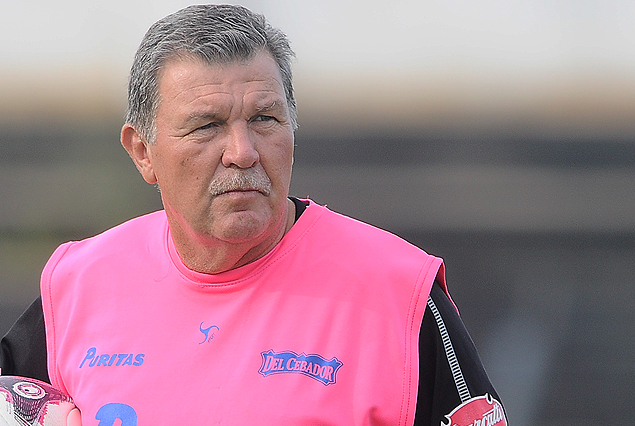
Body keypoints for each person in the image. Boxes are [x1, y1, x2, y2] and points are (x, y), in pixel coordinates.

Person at [0, 4, 507, 426]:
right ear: (142, 152)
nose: (242, 152)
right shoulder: (78, 282)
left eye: (264, 119)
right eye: (207, 126)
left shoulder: (401, 293)